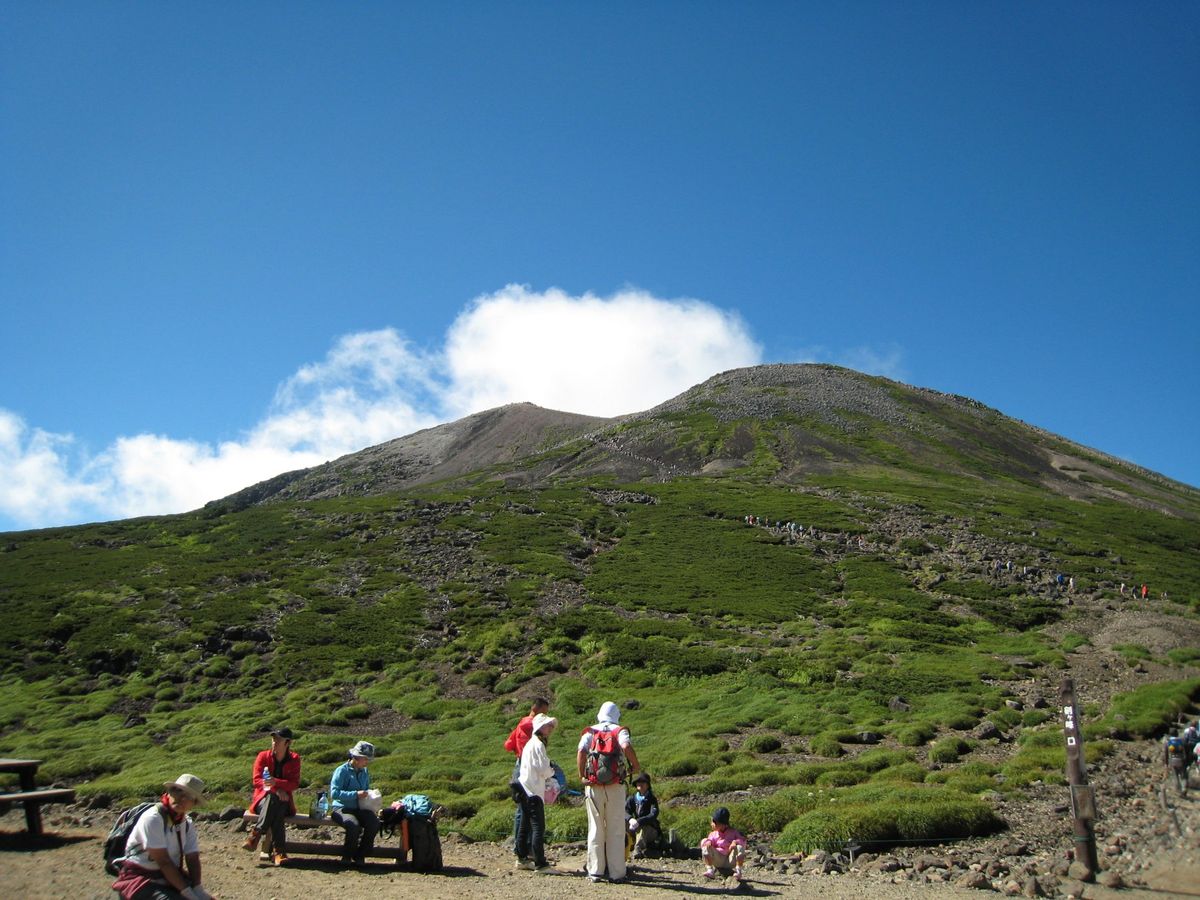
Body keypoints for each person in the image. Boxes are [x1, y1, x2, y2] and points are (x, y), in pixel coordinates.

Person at [111, 773, 216, 900]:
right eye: (178, 791)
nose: (182, 798)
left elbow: (192, 857)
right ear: (169, 792)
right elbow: (164, 861)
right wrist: (188, 893)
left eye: (189, 796)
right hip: (141, 880)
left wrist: (197, 889)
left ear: (193, 803)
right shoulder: (153, 818)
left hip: (166, 878)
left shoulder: (186, 823)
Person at [577, 701, 640, 883]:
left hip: (594, 785)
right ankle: (617, 872)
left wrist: (582, 776)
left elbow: (581, 751)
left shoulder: (591, 731)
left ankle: (595, 871)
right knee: (616, 828)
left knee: (595, 828)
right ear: (616, 715)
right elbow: (626, 746)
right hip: (616, 785)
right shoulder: (619, 730)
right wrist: (635, 766)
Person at [243, 726, 301, 865]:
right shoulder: (263, 756)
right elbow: (257, 781)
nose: (274, 742)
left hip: (283, 802)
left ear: (287, 743)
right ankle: (279, 852)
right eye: (273, 739)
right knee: (276, 802)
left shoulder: (294, 759)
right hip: (263, 801)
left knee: (277, 803)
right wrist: (276, 790)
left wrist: (275, 782)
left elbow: (294, 783)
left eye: (278, 740)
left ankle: (256, 834)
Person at [505, 696, 550, 867]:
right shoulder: (531, 725)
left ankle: (522, 850)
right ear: (537, 709)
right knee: (528, 810)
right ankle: (526, 849)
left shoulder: (520, 724)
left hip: (520, 763)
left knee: (523, 809)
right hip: (528, 766)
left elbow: (508, 745)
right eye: (544, 713)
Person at [514, 712, 557, 873]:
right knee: (538, 827)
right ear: (540, 727)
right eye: (548, 725)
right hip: (533, 791)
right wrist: (551, 772)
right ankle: (540, 863)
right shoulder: (538, 745)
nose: (550, 728)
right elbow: (542, 768)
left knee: (524, 825)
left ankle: (522, 858)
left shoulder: (530, 744)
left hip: (524, 788)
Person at [330, 740, 380, 865]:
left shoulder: (365, 772)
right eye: (365, 759)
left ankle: (361, 855)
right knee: (353, 825)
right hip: (341, 808)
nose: (367, 762)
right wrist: (355, 794)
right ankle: (347, 856)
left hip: (360, 808)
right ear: (357, 757)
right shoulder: (341, 771)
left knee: (374, 823)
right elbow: (334, 794)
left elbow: (366, 788)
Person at [700, 806, 747, 883]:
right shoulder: (713, 834)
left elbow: (743, 841)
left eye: (714, 822)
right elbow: (709, 841)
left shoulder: (733, 832)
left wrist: (735, 842)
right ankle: (710, 870)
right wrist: (709, 842)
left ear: (722, 824)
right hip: (718, 859)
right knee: (705, 843)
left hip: (730, 860)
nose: (712, 824)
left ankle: (738, 871)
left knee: (739, 847)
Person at [625, 772, 660, 858]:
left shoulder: (652, 799)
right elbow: (625, 811)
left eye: (643, 782)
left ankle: (638, 850)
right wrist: (630, 819)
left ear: (647, 785)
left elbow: (653, 815)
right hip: (634, 827)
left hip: (650, 829)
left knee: (643, 828)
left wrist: (640, 821)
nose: (640, 784)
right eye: (638, 782)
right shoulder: (632, 799)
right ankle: (624, 846)